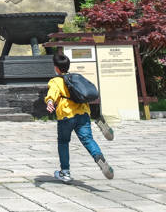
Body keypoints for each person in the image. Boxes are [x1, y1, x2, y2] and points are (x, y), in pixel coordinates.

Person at [45, 52, 114, 184]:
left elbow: (52, 94)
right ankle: (99, 158)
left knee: (63, 142)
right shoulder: (76, 77)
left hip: (66, 116)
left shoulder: (56, 81)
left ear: (56, 68)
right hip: (83, 114)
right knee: (88, 140)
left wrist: (49, 103)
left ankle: (65, 172)